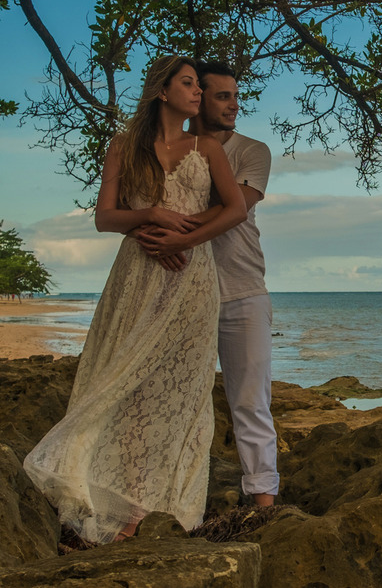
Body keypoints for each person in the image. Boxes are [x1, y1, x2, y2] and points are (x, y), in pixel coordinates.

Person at [23, 56, 247, 544]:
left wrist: (182, 241)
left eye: (198, 86)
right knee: (119, 380)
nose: (197, 93)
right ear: (162, 92)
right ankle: (100, 496)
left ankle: (145, 512)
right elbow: (105, 218)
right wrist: (152, 215)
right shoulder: (125, 145)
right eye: (188, 84)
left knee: (178, 392)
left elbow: (235, 209)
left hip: (190, 279)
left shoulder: (207, 147)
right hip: (137, 274)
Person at [136, 61, 279, 507]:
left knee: (250, 402)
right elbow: (135, 205)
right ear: (196, 99)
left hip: (242, 291)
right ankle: (166, 499)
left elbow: (235, 205)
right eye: (222, 96)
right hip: (179, 289)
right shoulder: (164, 149)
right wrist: (147, 226)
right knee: (173, 398)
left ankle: (263, 501)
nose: (233, 105)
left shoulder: (253, 151)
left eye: (236, 97)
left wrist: (171, 231)